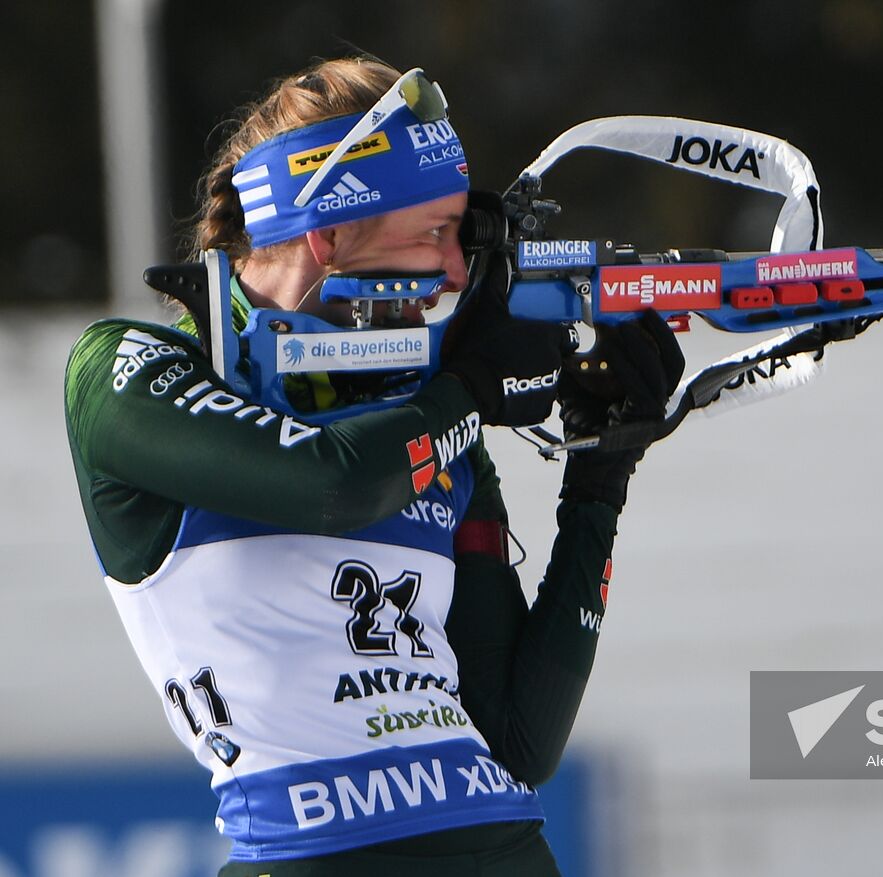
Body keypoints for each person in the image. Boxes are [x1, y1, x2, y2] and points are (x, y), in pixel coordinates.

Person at [63, 56, 682, 875]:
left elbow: (519, 740)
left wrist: (601, 477)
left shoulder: (425, 417)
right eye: (431, 232)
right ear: (327, 233)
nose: (454, 272)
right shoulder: (128, 369)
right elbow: (333, 483)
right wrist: (469, 390)